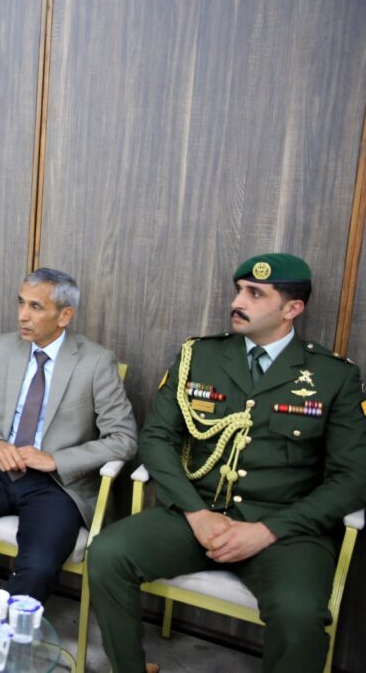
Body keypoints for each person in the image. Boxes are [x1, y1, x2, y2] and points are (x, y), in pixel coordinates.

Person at [88, 253, 366, 673]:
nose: (238, 301)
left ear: (292, 308)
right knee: (108, 554)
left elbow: (354, 478)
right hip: (196, 514)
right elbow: (157, 438)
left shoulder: (333, 376)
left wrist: (267, 530)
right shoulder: (199, 355)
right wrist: (196, 513)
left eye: (255, 294)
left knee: (300, 617)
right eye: (239, 290)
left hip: (285, 530)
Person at [0, 268, 138, 603]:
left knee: (38, 565)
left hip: (57, 486)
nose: (22, 315)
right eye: (21, 303)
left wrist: (56, 460)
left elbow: (124, 438)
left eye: (35, 307)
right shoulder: (1, 347)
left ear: (65, 315)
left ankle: (2, 628)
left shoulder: (95, 362)